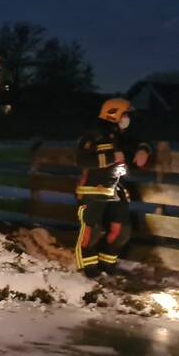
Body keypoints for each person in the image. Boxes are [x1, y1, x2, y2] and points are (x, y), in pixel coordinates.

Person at [74, 98, 151, 277]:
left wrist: (144, 150)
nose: (128, 119)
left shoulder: (122, 137)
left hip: (116, 191)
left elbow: (140, 142)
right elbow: (81, 160)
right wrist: (111, 158)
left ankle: (106, 268)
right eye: (125, 115)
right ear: (114, 114)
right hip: (92, 191)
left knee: (121, 232)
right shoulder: (93, 135)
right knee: (91, 232)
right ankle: (87, 272)